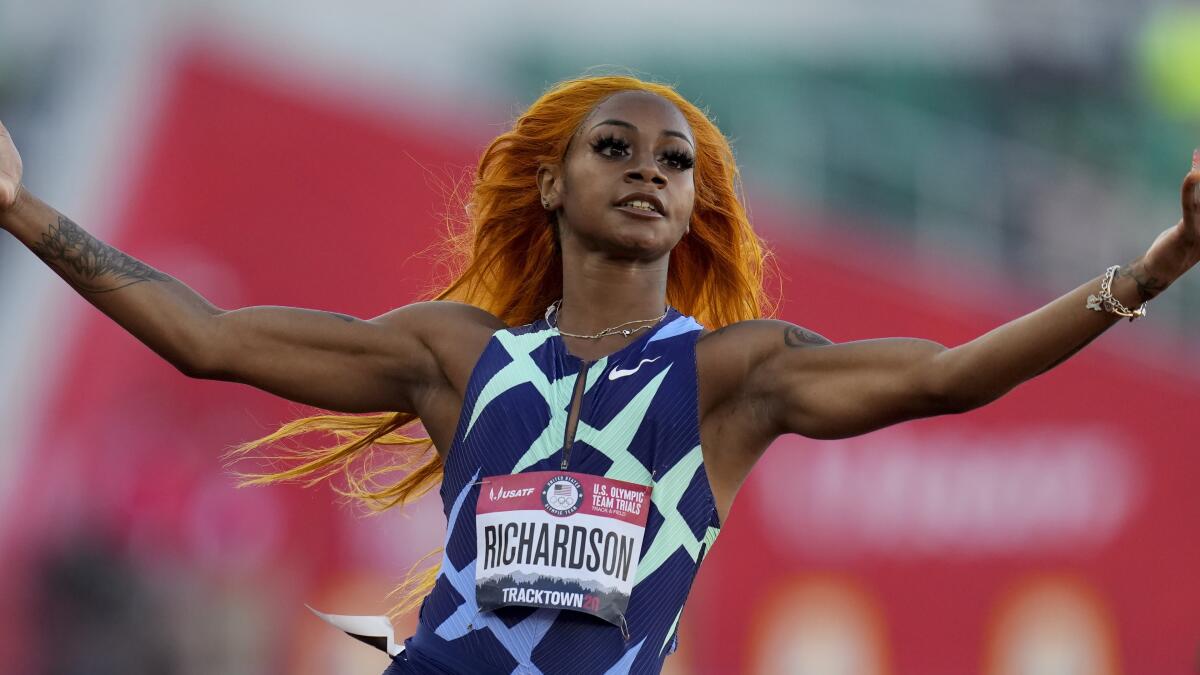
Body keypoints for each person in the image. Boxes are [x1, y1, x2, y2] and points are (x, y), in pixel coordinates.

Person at [0, 75, 1197, 674]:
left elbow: (948, 379)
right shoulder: (455, 357)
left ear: (690, 206)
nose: (645, 171)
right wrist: (18, 207)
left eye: (673, 161)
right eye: (612, 149)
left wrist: (1158, 264)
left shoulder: (737, 378)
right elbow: (205, 338)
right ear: (550, 185)